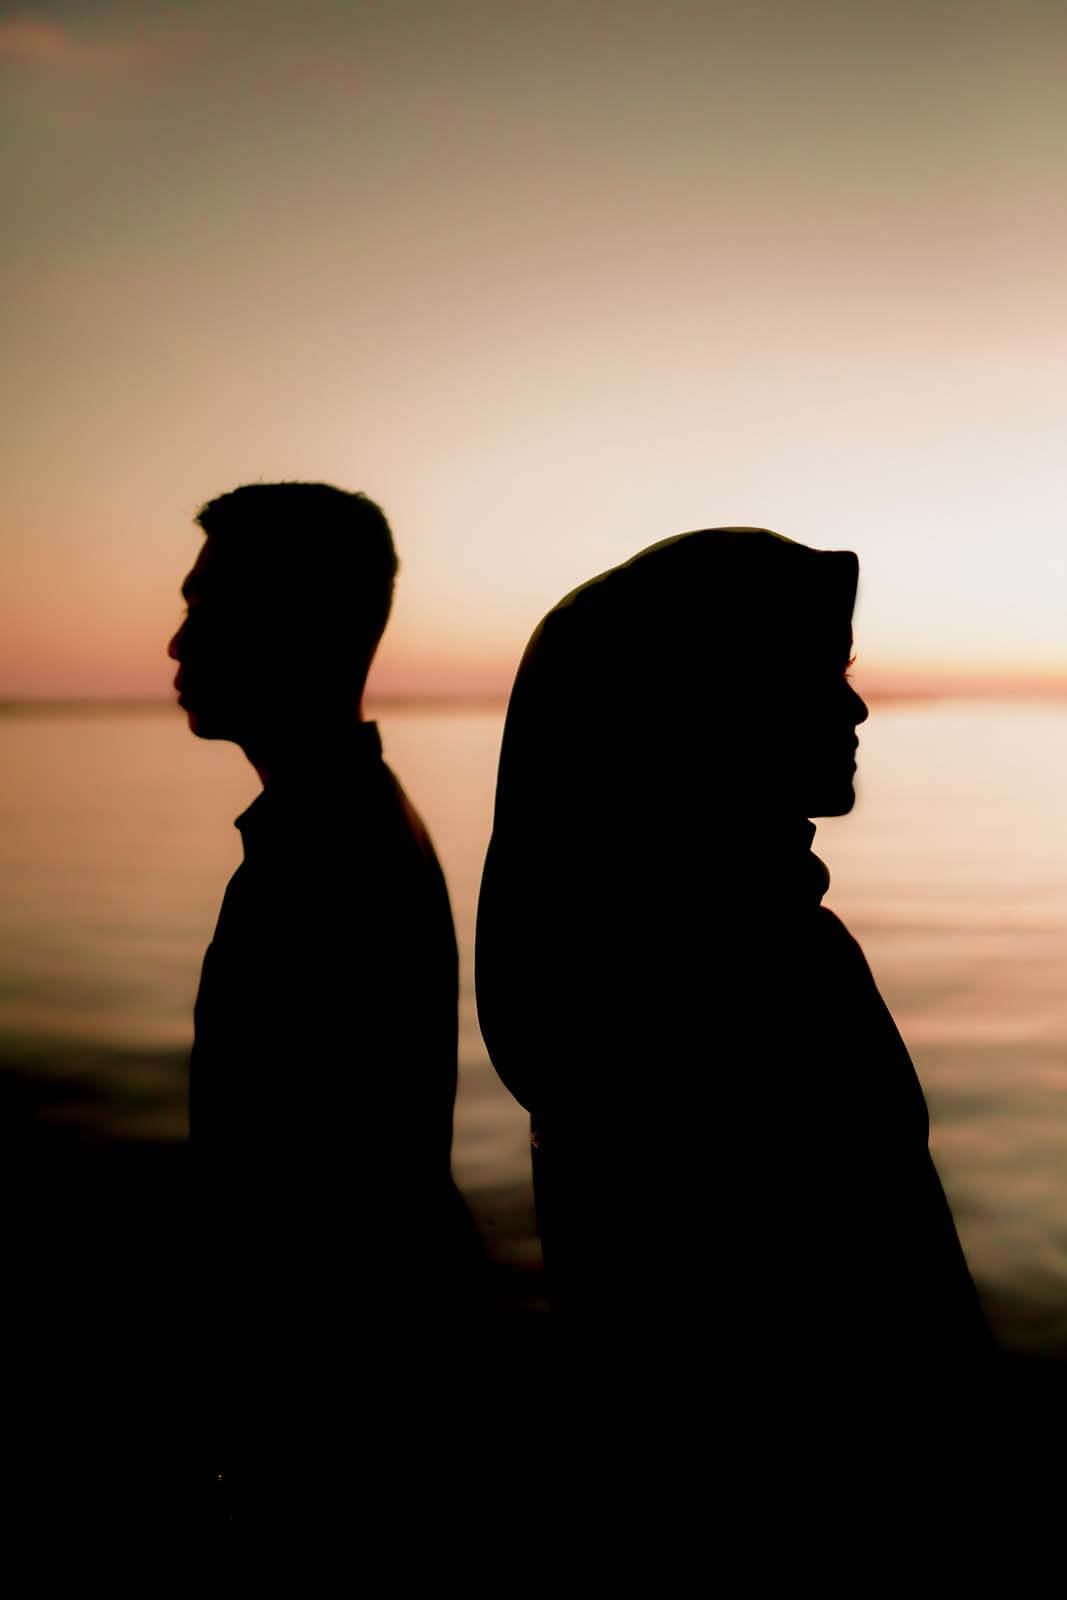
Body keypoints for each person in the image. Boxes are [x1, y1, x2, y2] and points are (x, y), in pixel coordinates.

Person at [475, 526, 993, 1426]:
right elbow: (883, 1295)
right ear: (713, 703)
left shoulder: (602, 970)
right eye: (820, 673)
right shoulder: (762, 973)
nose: (857, 708)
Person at [168, 482, 482, 1493]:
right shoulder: (348, 821)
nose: (177, 645)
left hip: (338, 1399)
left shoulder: (325, 858)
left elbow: (301, 1194)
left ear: (303, 626)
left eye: (207, 610)